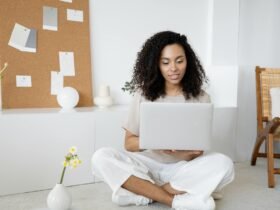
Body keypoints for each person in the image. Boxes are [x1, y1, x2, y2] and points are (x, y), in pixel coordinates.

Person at [91, 31, 234, 210]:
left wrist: (182, 153)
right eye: (165, 62)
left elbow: (197, 151)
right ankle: (174, 199)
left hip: (182, 168)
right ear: (156, 65)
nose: (173, 68)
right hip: (146, 165)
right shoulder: (143, 95)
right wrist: (155, 143)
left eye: (179, 61)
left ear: (188, 62)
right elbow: (129, 144)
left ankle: (145, 193)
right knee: (101, 157)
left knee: (224, 164)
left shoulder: (201, 98)